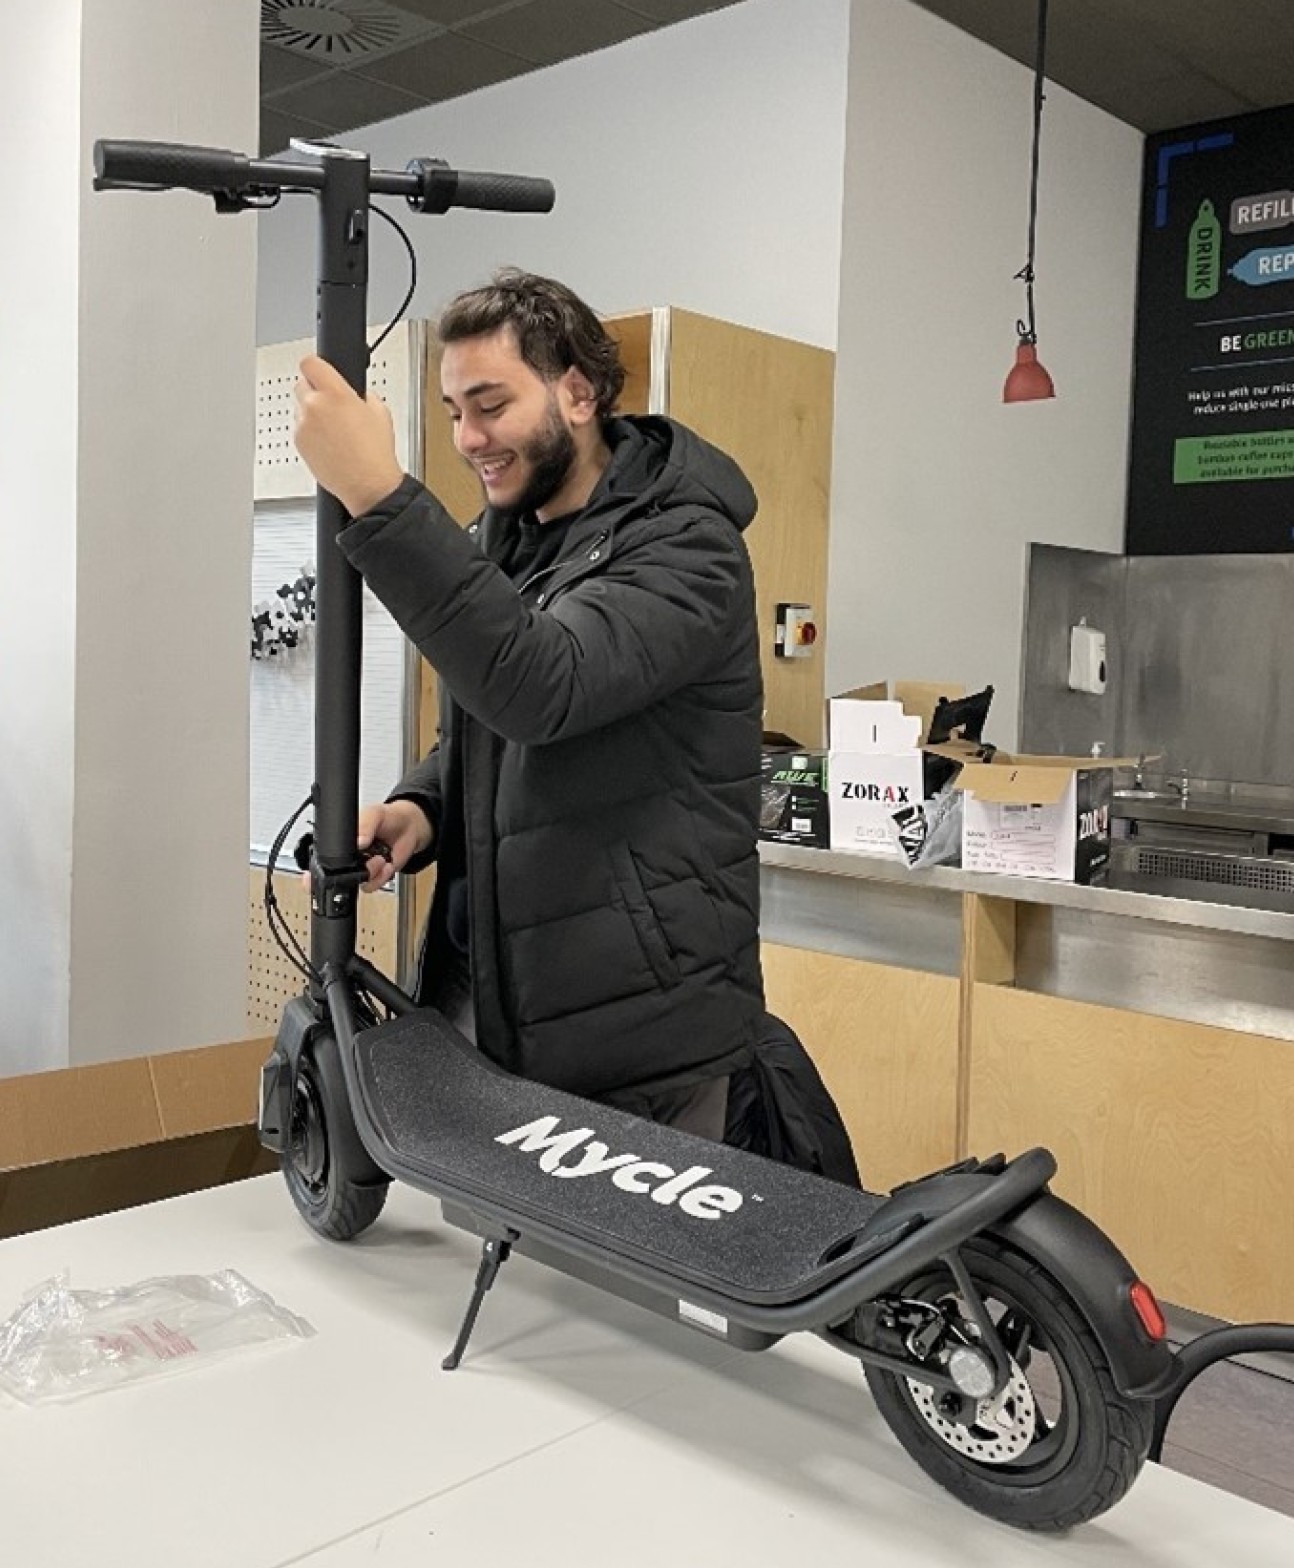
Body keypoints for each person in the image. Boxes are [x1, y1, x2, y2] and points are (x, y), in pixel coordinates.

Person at [293, 269, 764, 1140]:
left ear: (577, 392)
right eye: (453, 411)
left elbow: (545, 687)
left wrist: (380, 497)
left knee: (605, 1276)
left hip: (636, 1036)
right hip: (502, 1002)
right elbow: (489, 731)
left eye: (491, 404)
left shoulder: (686, 546)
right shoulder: (514, 540)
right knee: (484, 1265)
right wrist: (420, 809)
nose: (469, 438)